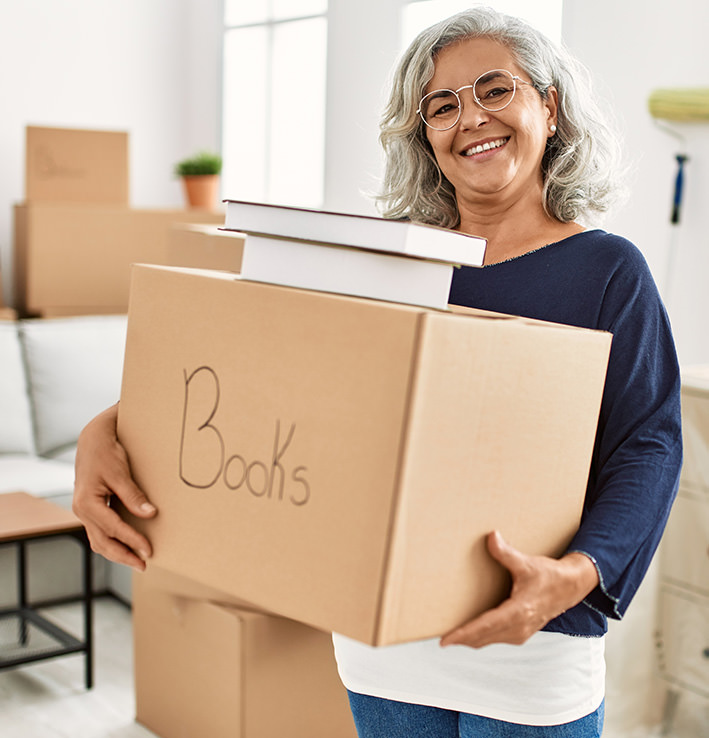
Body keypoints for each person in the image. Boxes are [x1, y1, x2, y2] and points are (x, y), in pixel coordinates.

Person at [72, 7, 682, 738]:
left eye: (495, 90)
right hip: (380, 649)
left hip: (530, 644)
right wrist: (104, 428)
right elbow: (263, 380)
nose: (470, 118)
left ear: (547, 107)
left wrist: (577, 574)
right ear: (423, 135)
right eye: (442, 105)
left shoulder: (607, 271)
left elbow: (646, 446)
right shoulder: (389, 267)